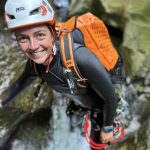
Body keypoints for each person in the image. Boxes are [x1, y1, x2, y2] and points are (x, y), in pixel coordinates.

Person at [1, 0, 123, 148]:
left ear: (52, 32)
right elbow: (21, 83)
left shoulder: (80, 58)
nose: (33, 46)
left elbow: (110, 97)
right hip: (78, 102)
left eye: (40, 35)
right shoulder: (35, 65)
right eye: (23, 38)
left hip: (100, 109)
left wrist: (108, 127)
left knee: (97, 145)